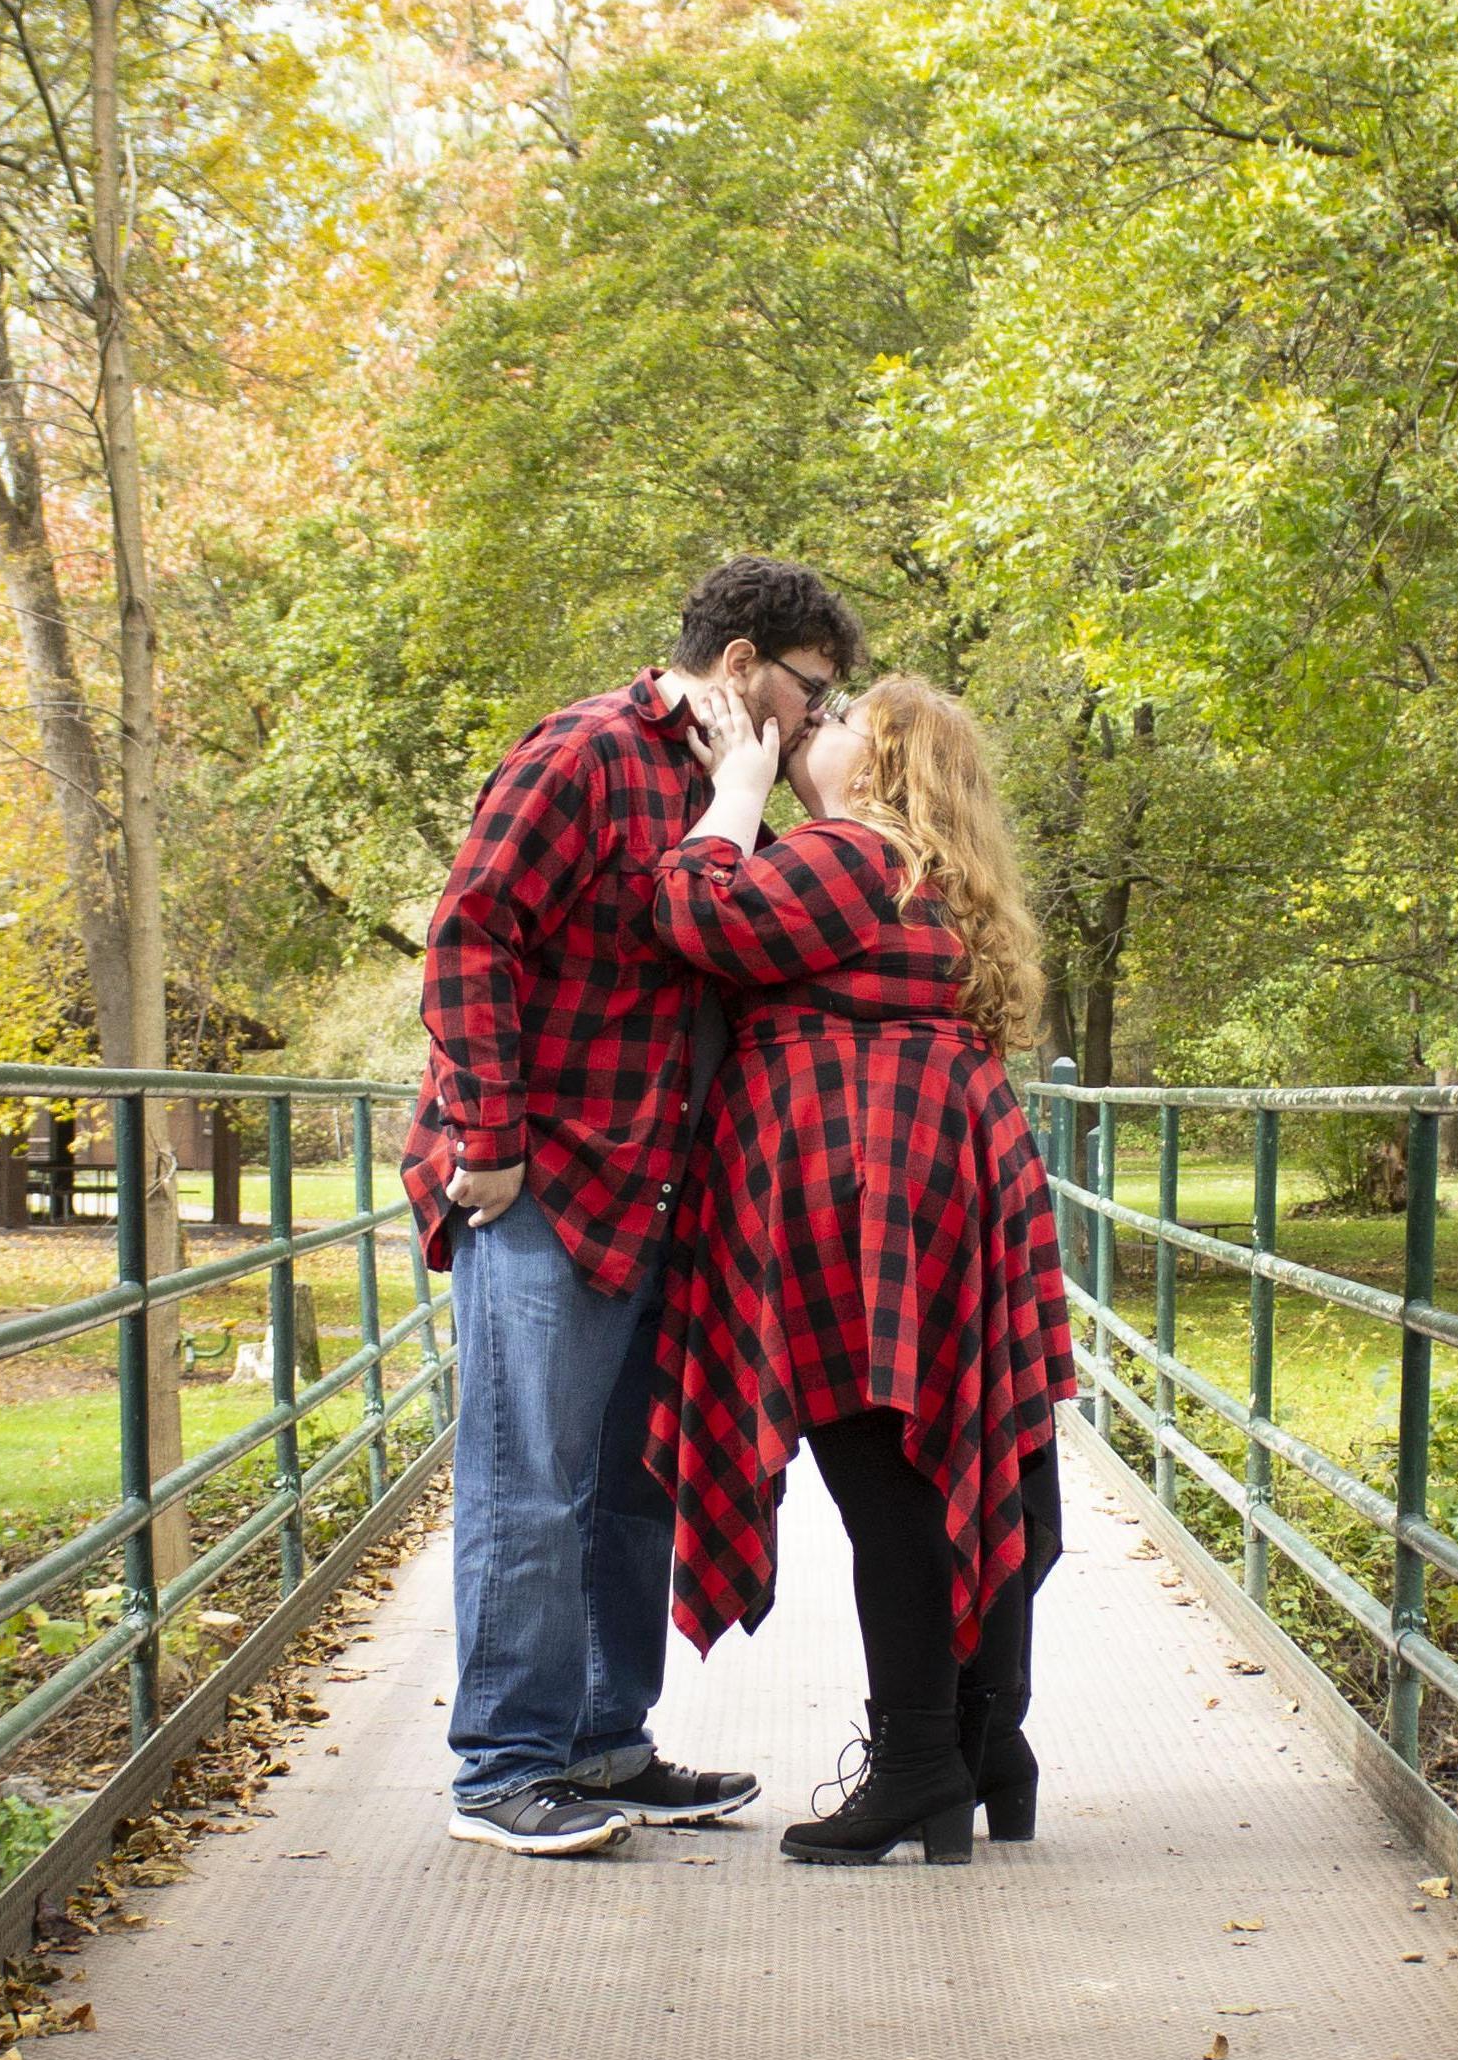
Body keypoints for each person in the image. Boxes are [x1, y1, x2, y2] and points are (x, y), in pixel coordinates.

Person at [403, 553, 869, 1854]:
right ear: (738, 666)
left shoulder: (728, 789)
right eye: (812, 691)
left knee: (626, 1484)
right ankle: (500, 1768)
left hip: (658, 1191)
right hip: (545, 1178)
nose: (820, 718)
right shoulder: (585, 752)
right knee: (527, 1482)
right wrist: (487, 1132)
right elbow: (471, 931)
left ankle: (601, 1741)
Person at [643, 675, 1074, 1863]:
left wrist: (732, 791)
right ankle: (989, 1744)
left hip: (858, 1180)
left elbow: (695, 914)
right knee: (971, 1462)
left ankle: (921, 1765)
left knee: (891, 1486)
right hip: (941, 1168)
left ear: (881, 762)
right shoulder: (933, 874)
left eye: (829, 721)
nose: (802, 733)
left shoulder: (847, 852)